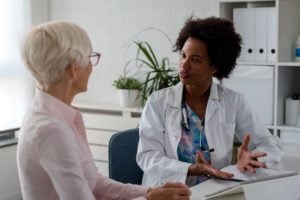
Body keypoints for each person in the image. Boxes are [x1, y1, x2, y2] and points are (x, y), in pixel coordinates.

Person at [17, 21, 191, 200]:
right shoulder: (52, 130)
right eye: (90, 57)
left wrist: (148, 192)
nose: (92, 66)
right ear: (74, 70)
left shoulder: (55, 115)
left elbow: (94, 184)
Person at [136, 17, 283, 187]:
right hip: (169, 191)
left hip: (215, 189)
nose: (184, 65)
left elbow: (271, 144)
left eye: (195, 60)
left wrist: (252, 157)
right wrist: (191, 169)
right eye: (183, 55)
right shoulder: (158, 102)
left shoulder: (233, 101)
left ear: (215, 67)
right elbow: (147, 156)